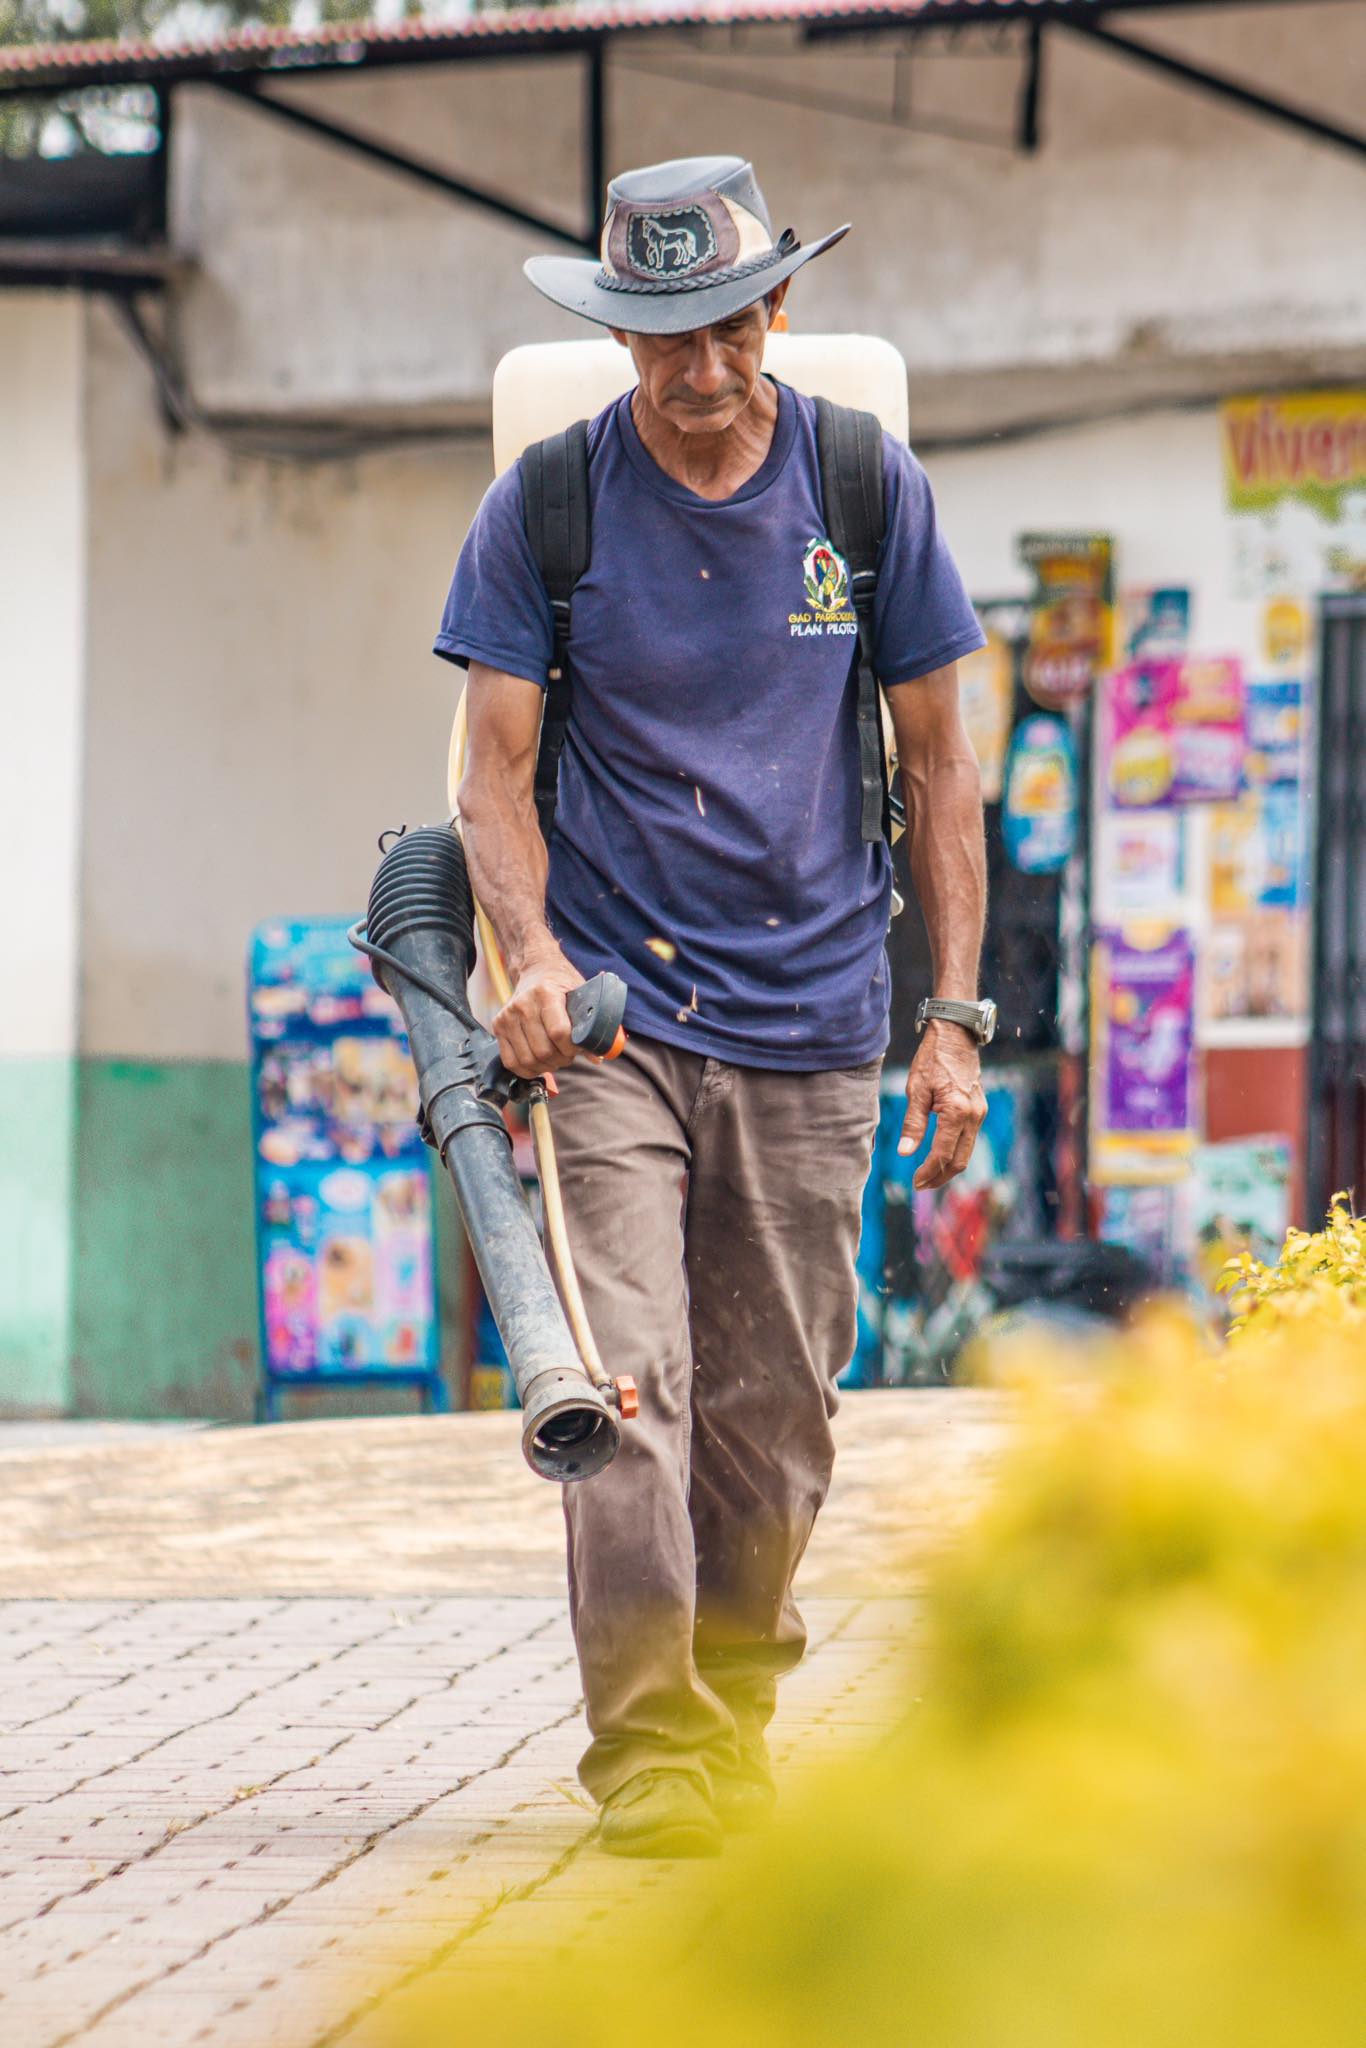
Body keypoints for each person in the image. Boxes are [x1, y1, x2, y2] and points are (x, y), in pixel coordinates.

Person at [436, 156, 992, 1859]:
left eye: (729, 326)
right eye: (664, 336)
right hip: (611, 1023)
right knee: (627, 1387)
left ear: (777, 308)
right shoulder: (548, 505)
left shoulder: (861, 485)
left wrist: (953, 1015)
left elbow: (939, 765)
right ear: (618, 336)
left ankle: (731, 1699)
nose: (700, 367)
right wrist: (530, 959)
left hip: (814, 1020)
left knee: (774, 1413)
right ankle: (654, 1747)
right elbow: (492, 777)